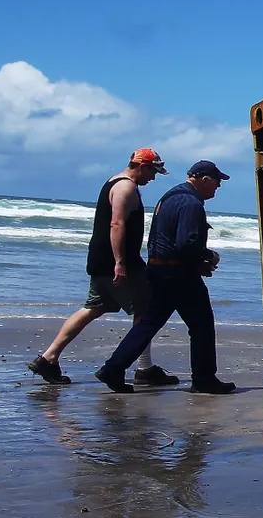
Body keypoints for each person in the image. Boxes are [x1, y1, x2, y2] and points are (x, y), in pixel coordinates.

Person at [27, 148, 181, 386]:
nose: (153, 178)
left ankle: (48, 358)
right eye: (153, 171)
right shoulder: (126, 188)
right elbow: (116, 224)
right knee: (146, 311)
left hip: (100, 260)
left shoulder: (112, 182)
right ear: (142, 167)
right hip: (118, 263)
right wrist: (120, 263)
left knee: (93, 308)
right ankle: (144, 368)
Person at [95, 160, 236, 395]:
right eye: (217, 182)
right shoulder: (191, 204)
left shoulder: (170, 197)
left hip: (158, 270)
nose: (217, 188)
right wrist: (205, 258)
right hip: (178, 274)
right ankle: (204, 378)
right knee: (201, 325)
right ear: (204, 180)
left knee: (148, 324)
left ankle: (113, 368)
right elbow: (186, 244)